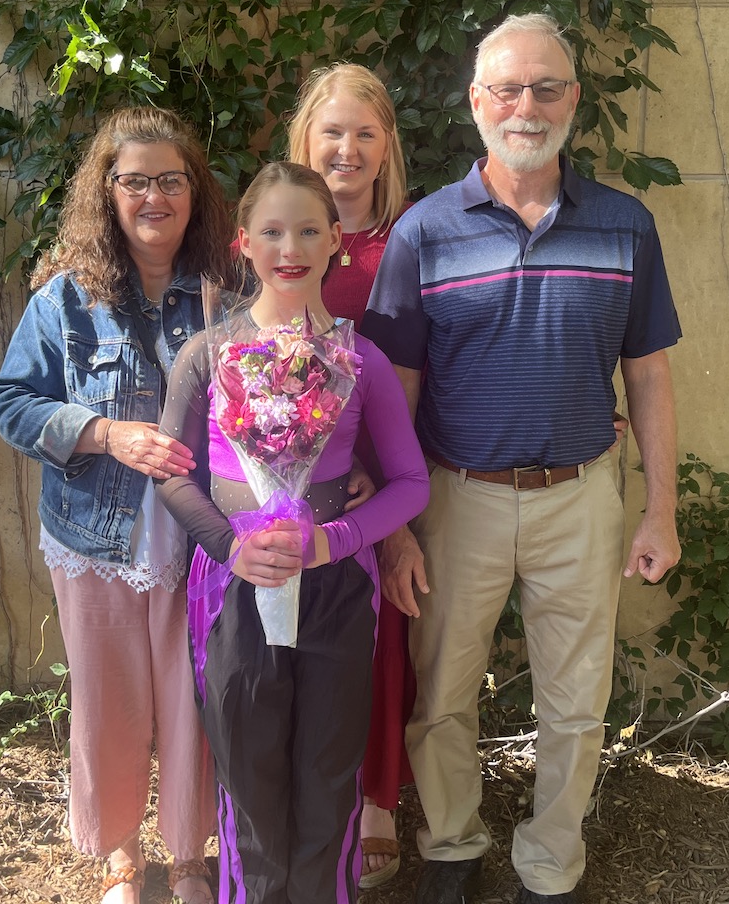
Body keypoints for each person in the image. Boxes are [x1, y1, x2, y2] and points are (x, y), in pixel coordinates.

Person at [362, 13, 682, 904]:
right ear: (476, 102)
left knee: (577, 705)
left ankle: (551, 867)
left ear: (573, 100)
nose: (527, 105)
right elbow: (395, 392)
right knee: (441, 694)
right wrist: (396, 527)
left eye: (547, 87)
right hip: (457, 500)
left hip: (581, 497)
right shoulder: (424, 233)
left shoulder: (625, 226)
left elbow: (649, 377)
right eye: (508, 87)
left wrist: (659, 510)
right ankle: (453, 847)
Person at [154, 161, 430, 904]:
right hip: (235, 590)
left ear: (337, 240)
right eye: (272, 231)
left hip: (338, 588)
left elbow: (410, 483)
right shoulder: (205, 355)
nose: (291, 246)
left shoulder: (359, 358)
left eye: (309, 229)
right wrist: (230, 545)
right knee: (248, 773)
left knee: (326, 772)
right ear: (244, 242)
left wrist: (333, 541)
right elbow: (174, 475)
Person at [0, 107, 236, 904]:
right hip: (98, 539)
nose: (155, 196)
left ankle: (191, 857)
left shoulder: (230, 294)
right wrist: (101, 432)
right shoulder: (65, 299)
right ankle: (123, 857)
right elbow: (12, 404)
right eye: (136, 181)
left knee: (192, 705)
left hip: (203, 539)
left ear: (195, 192)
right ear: (109, 191)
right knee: (110, 706)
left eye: (172, 180)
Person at [287, 61, 412, 888]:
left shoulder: (414, 238)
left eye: (365, 132)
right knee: (292, 642)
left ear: (387, 146)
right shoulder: (274, 229)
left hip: (388, 478)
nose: (348, 148)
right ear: (305, 139)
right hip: (286, 482)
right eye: (332, 131)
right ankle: (301, 791)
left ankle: (378, 798)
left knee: (383, 636)